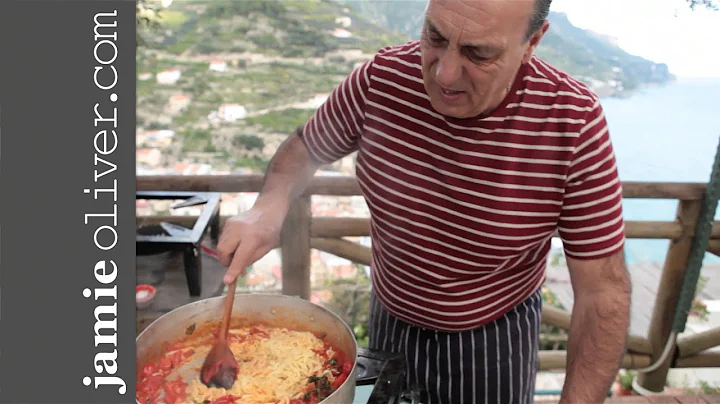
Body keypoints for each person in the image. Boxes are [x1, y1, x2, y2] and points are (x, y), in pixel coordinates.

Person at [216, 0, 632, 402]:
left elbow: (602, 294)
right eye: (434, 36)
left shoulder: (572, 121)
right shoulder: (383, 78)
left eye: (479, 53)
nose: (445, 74)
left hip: (494, 338)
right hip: (390, 320)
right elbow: (305, 149)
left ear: (532, 41)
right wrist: (266, 208)